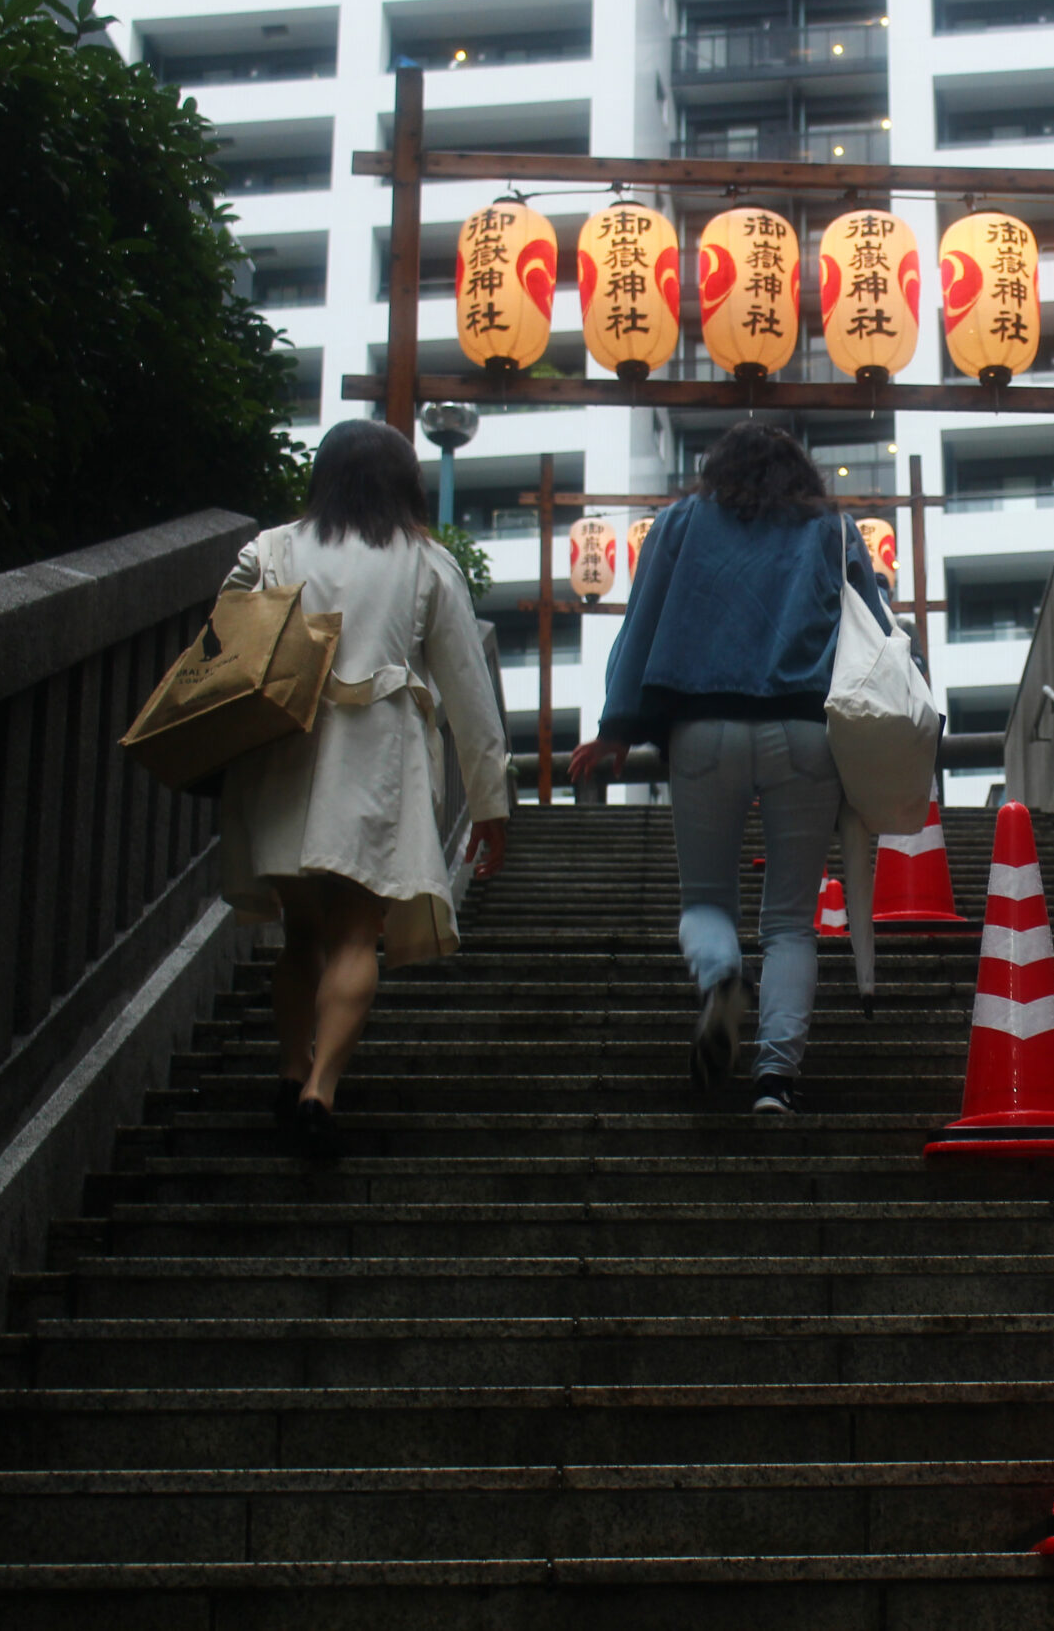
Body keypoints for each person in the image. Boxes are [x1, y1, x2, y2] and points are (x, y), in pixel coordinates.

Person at [570, 423, 893, 1115]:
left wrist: (615, 727)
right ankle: (775, 1080)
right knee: (789, 923)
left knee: (706, 902)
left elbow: (644, 618)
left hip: (704, 728)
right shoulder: (832, 531)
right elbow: (877, 630)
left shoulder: (682, 522)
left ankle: (720, 976)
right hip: (808, 732)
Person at [218, 419, 511, 1157]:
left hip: (286, 750)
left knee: (300, 934)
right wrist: (490, 805)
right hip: (375, 759)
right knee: (356, 931)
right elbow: (470, 698)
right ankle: (323, 1085)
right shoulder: (425, 562)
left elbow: (225, 631)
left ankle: (289, 1068)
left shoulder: (273, 547)